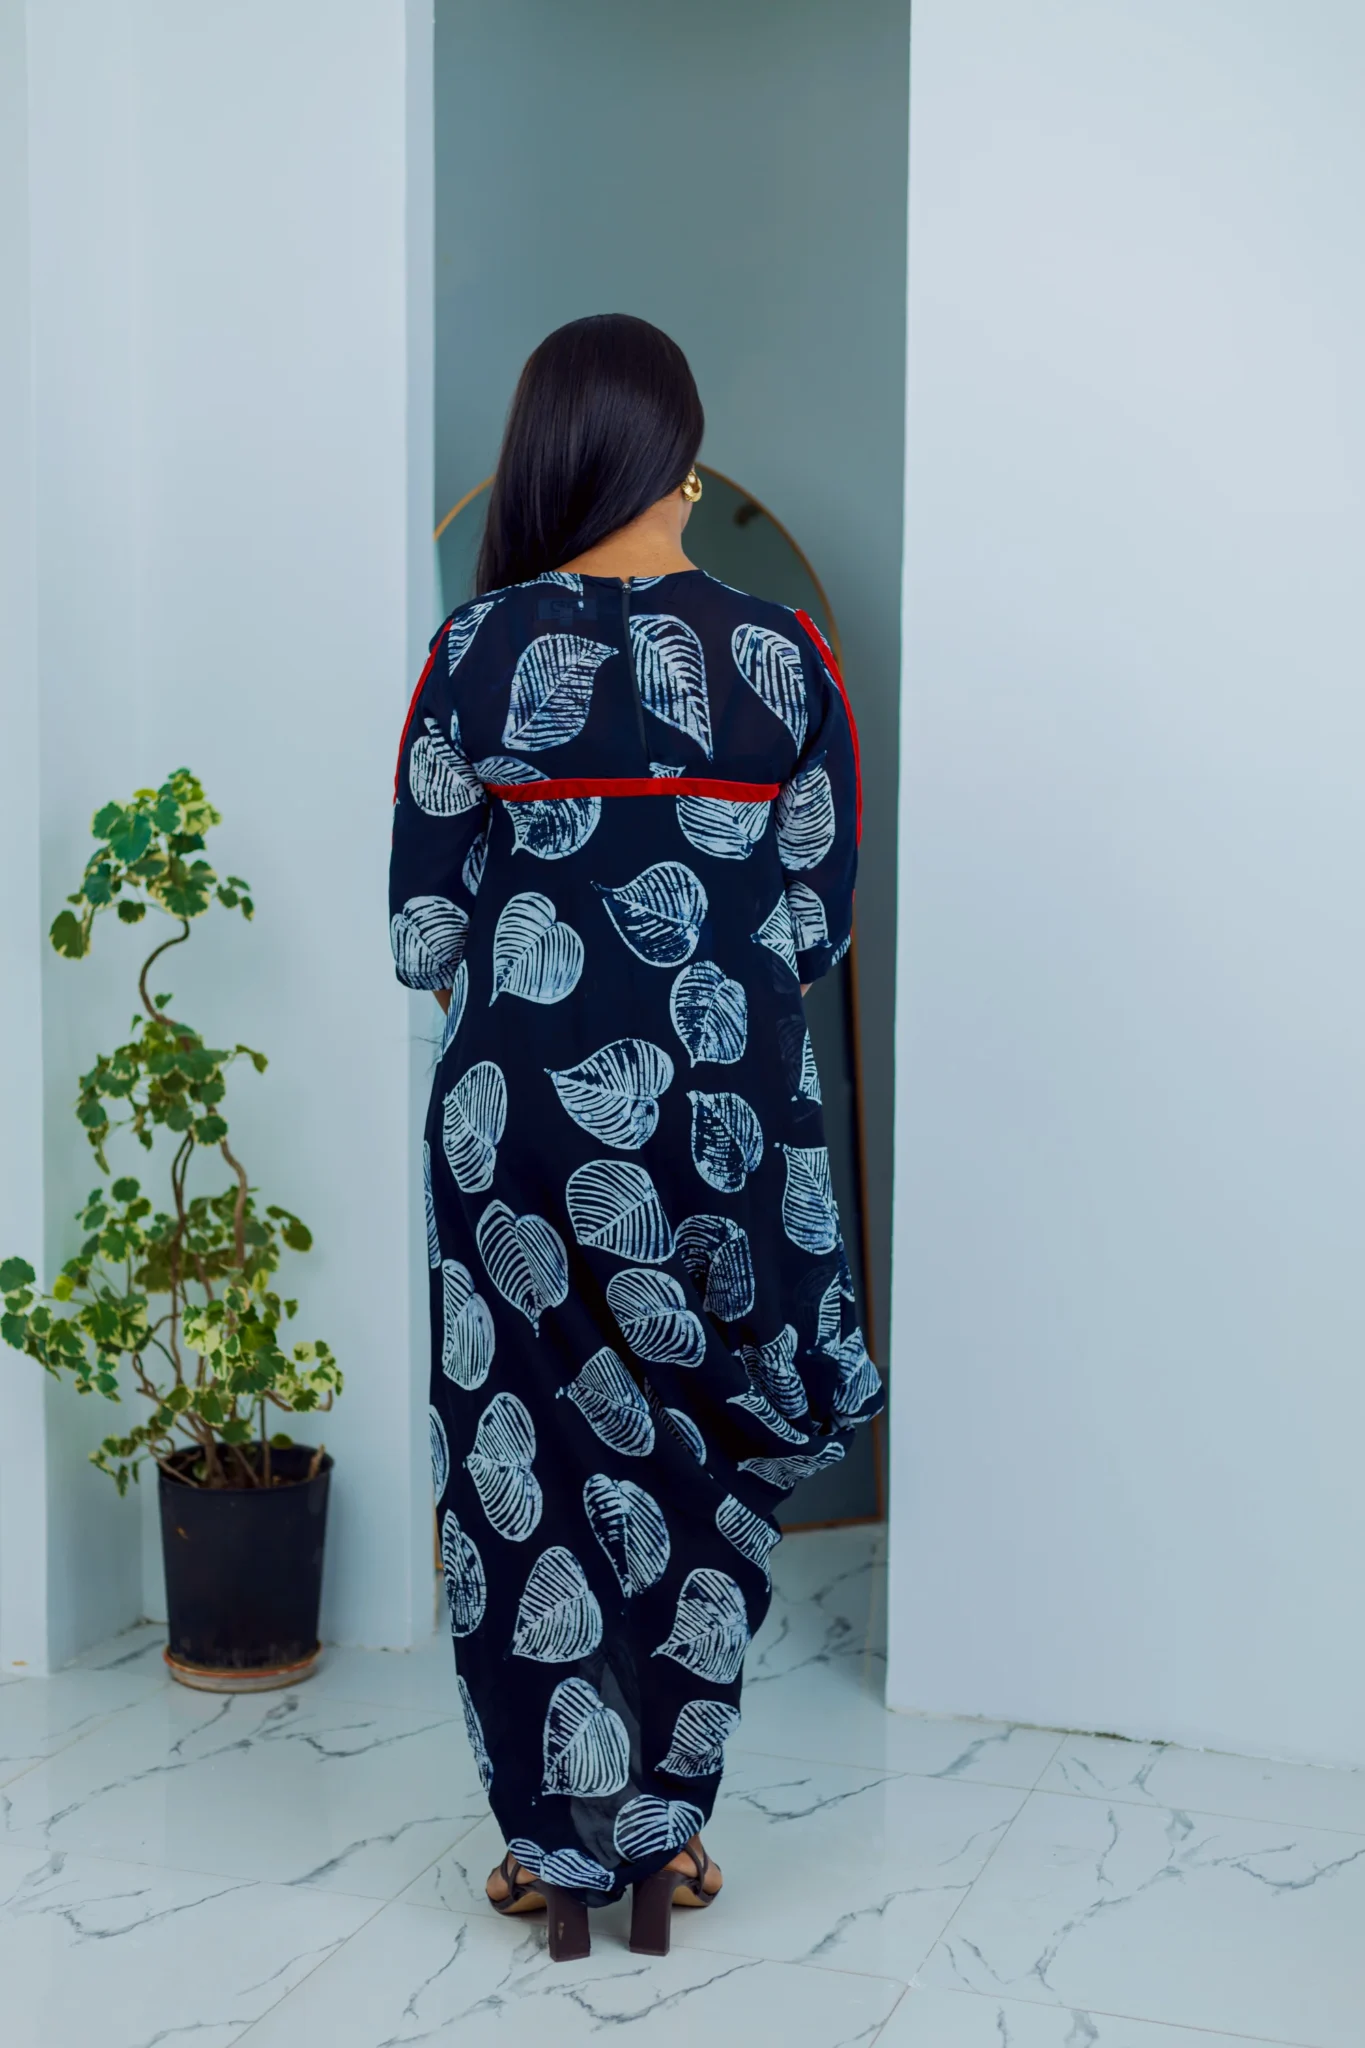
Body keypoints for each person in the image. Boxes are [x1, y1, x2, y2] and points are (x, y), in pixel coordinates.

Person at [389, 313, 884, 1962]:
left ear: (547, 456)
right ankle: (667, 1834)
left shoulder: (472, 652)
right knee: (695, 1452)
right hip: (729, 1122)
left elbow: (421, 931)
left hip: (516, 1121)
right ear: (681, 460)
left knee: (524, 1463)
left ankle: (554, 1852)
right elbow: (813, 922)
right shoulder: (787, 654)